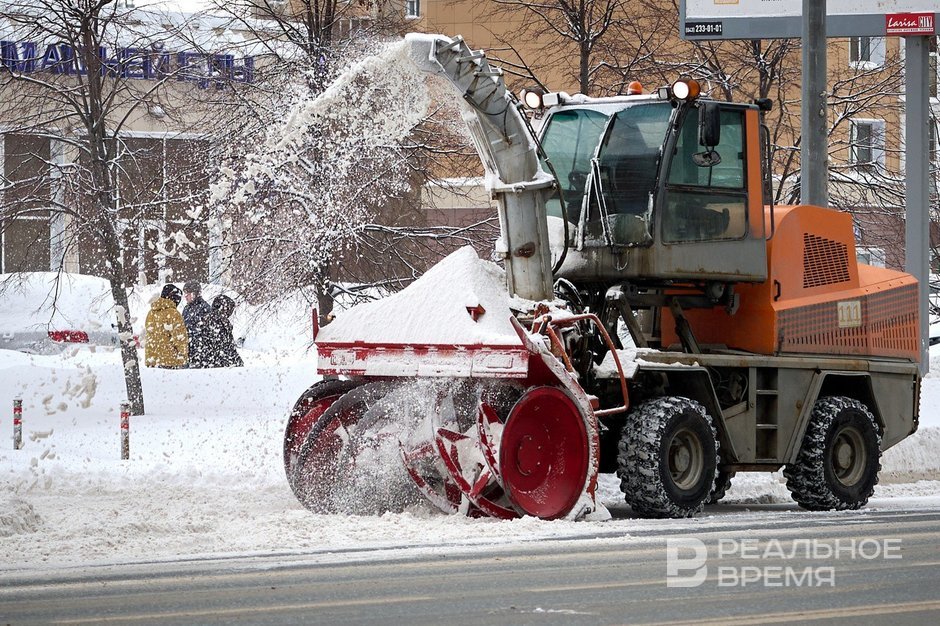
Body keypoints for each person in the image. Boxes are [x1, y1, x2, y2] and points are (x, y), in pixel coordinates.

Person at [144, 284, 188, 368]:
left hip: (152, 360)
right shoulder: (173, 313)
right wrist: (183, 357)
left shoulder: (151, 313)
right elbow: (180, 338)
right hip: (170, 361)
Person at [205, 294, 243, 367]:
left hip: (212, 363)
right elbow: (225, 347)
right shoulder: (218, 321)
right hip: (218, 365)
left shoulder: (211, 319)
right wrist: (237, 362)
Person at [182, 280, 212, 368]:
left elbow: (206, 332)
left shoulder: (205, 308)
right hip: (187, 352)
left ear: (195, 293)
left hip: (200, 354)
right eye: (185, 293)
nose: (185, 296)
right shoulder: (186, 308)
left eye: (188, 293)